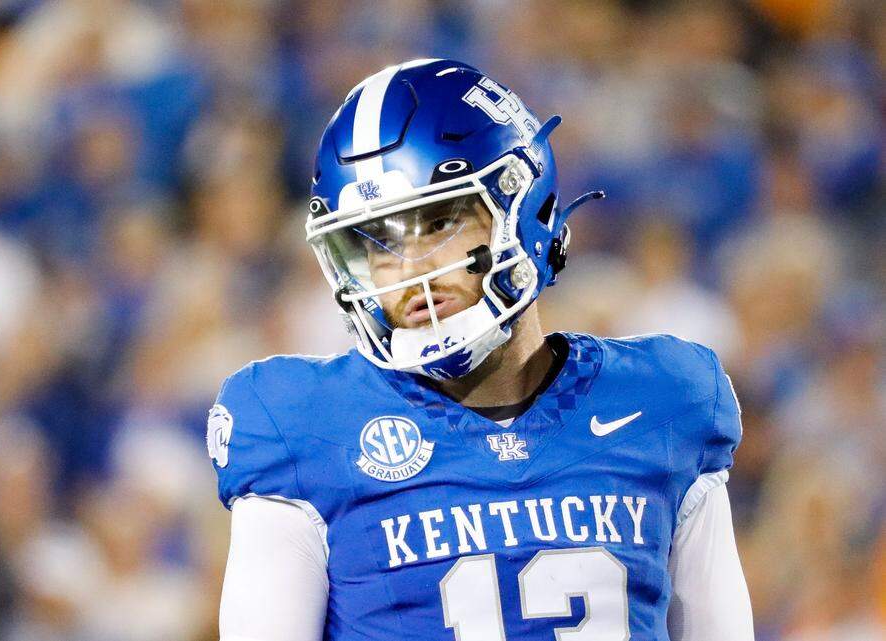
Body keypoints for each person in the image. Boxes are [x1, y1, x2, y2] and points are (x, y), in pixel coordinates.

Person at [208, 59, 754, 641]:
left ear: (523, 207)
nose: (409, 269)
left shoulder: (665, 400)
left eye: (439, 222)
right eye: (380, 243)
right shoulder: (302, 428)